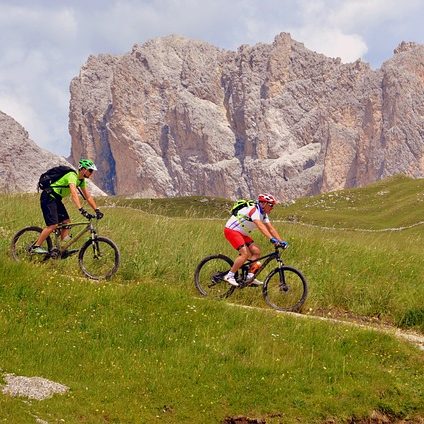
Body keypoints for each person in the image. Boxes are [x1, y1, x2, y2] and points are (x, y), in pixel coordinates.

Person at [31, 159, 104, 254]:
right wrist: (81, 209)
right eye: (90, 170)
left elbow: (88, 197)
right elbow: (74, 194)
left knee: (67, 223)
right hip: (48, 197)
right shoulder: (72, 176)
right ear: (83, 169)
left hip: (56, 199)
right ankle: (35, 247)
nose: (91, 173)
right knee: (53, 225)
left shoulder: (81, 181)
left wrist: (97, 210)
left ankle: (62, 249)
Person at [223, 193, 287, 287]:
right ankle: (229, 275)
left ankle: (249, 276)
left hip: (242, 233)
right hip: (232, 230)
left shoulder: (264, 214)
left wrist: (280, 241)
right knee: (245, 254)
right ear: (264, 204)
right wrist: (271, 239)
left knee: (256, 251)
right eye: (271, 205)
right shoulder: (254, 210)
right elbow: (260, 226)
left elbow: (271, 228)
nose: (272, 208)